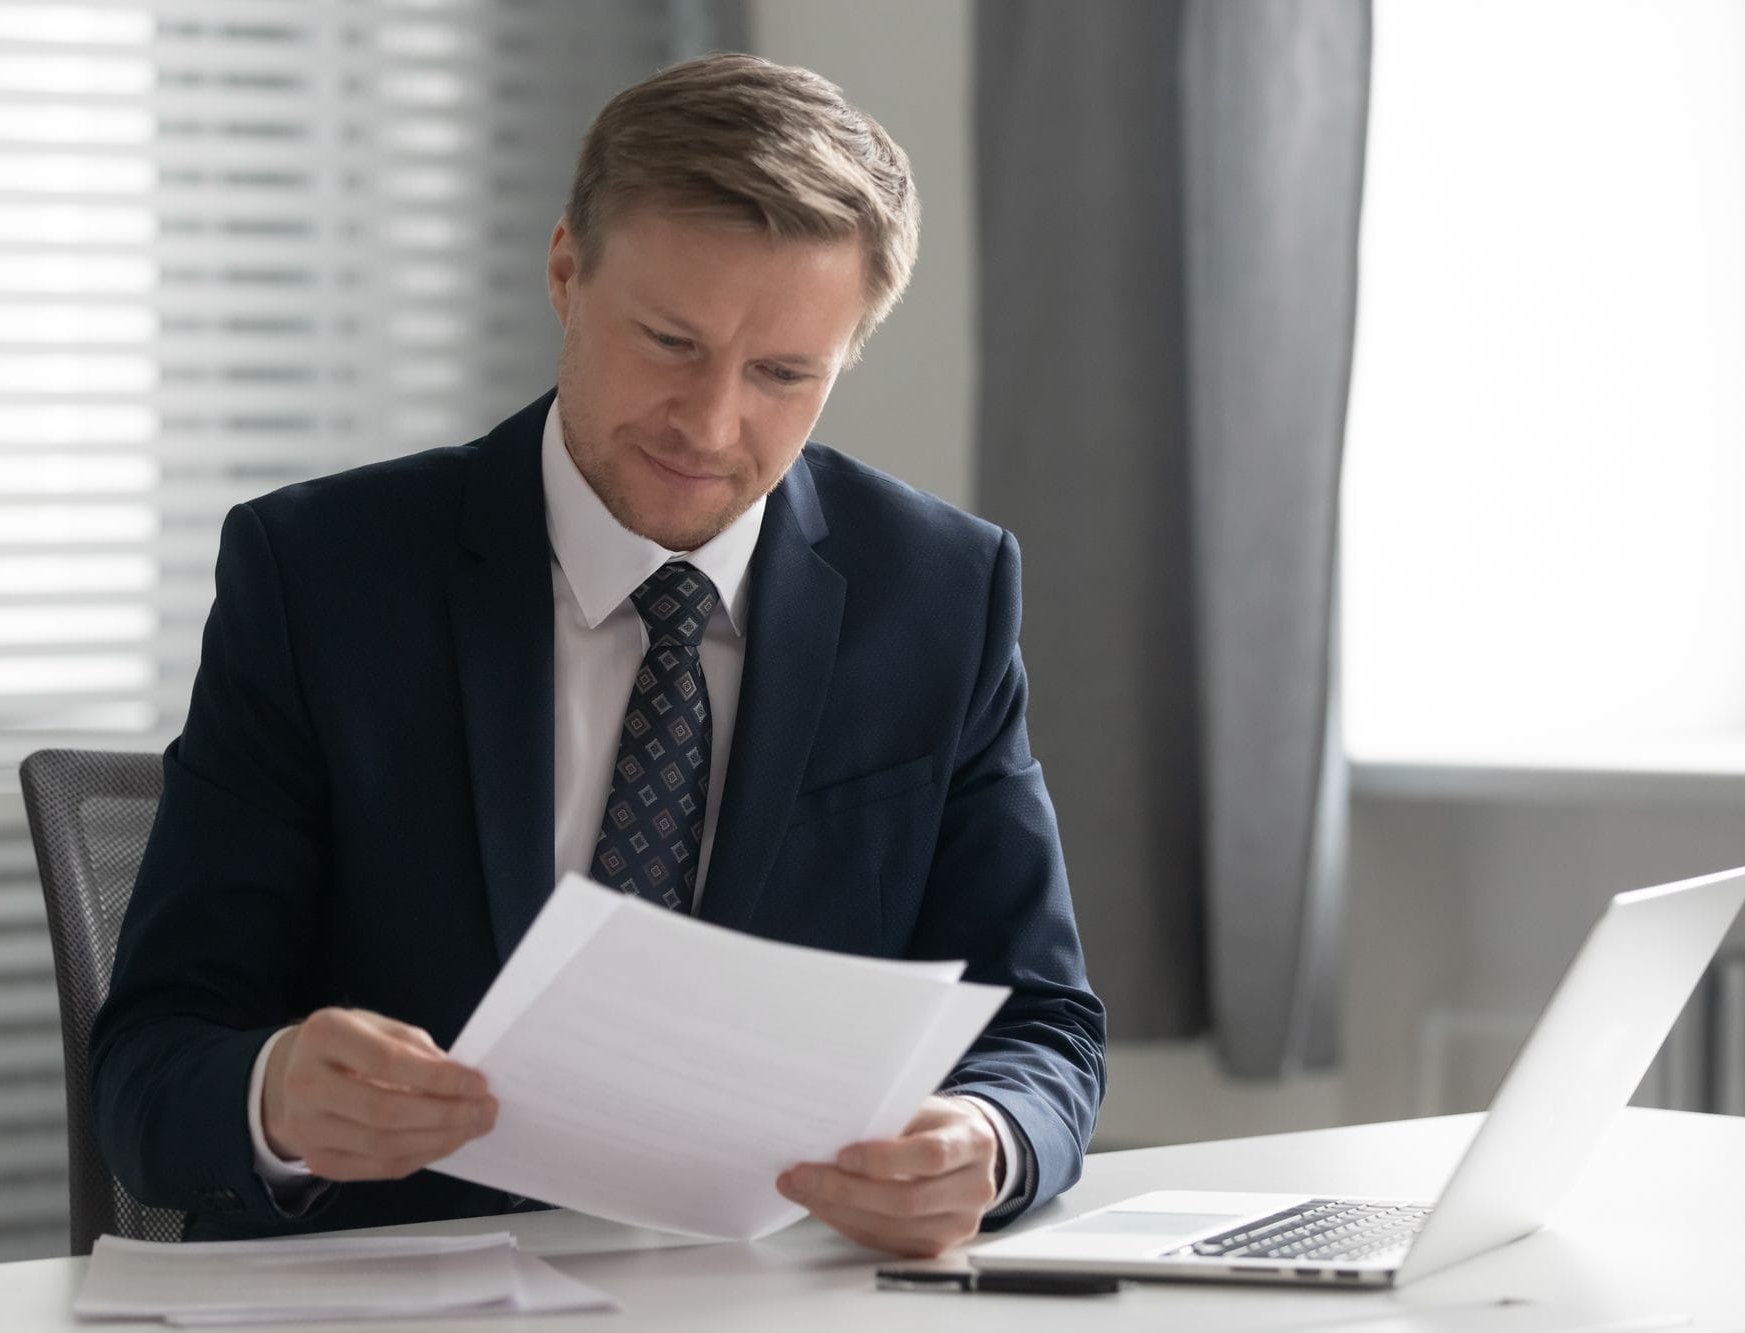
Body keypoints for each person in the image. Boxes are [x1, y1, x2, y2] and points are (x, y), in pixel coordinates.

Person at [92, 51, 1106, 1260]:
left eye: (784, 374)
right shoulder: (321, 577)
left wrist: (986, 1140)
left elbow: (1043, 1023)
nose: (711, 424)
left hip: (766, 1293)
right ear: (567, 271)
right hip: (405, 1290)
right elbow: (150, 1066)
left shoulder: (938, 593)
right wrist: (273, 1098)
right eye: (670, 341)